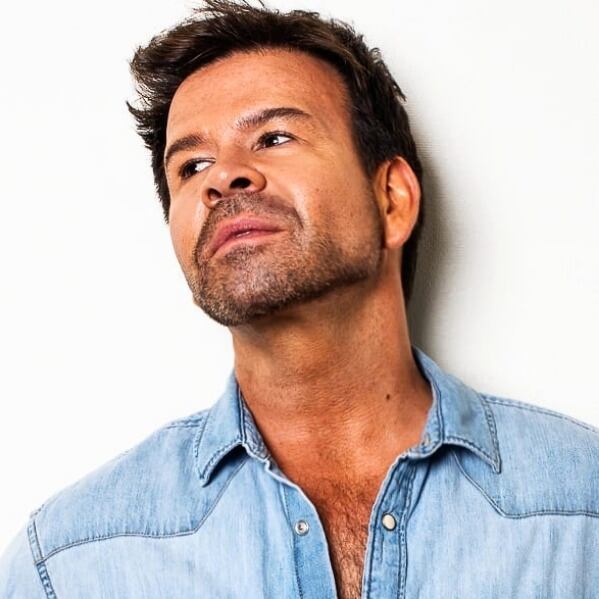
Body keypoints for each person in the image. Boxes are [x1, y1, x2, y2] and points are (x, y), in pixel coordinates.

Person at [1, 0, 598, 597]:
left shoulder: (582, 511)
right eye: (192, 165)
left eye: (274, 137)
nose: (223, 177)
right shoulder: (70, 564)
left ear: (392, 199)